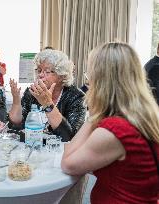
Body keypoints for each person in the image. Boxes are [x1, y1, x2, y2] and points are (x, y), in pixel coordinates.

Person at [61, 42, 159, 203]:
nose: (88, 82)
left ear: (101, 81)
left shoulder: (115, 130)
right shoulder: (144, 115)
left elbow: (68, 164)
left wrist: (93, 116)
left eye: (90, 76)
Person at [9, 49, 86, 142]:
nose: (40, 75)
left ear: (61, 76)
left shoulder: (76, 97)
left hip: (60, 153)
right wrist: (16, 101)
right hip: (32, 147)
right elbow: (18, 125)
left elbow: (70, 137)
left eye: (47, 71)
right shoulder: (32, 92)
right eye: (39, 70)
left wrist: (47, 104)